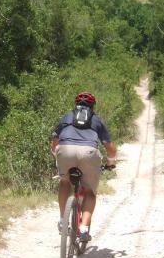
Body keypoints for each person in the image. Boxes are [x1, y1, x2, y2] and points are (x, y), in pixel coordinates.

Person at [50, 91, 117, 243]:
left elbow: (54, 141)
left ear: (76, 105)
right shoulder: (96, 120)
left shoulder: (67, 116)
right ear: (93, 107)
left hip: (65, 150)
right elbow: (110, 148)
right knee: (89, 192)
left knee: (65, 182)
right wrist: (110, 163)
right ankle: (84, 229)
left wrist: (57, 156)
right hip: (88, 153)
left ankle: (62, 220)